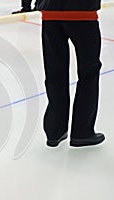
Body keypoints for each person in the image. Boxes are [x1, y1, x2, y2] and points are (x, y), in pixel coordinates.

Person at [38, 0, 105, 147]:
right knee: (88, 73)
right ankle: (82, 132)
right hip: (82, 11)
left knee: (54, 73)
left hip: (50, 12)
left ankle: (55, 131)